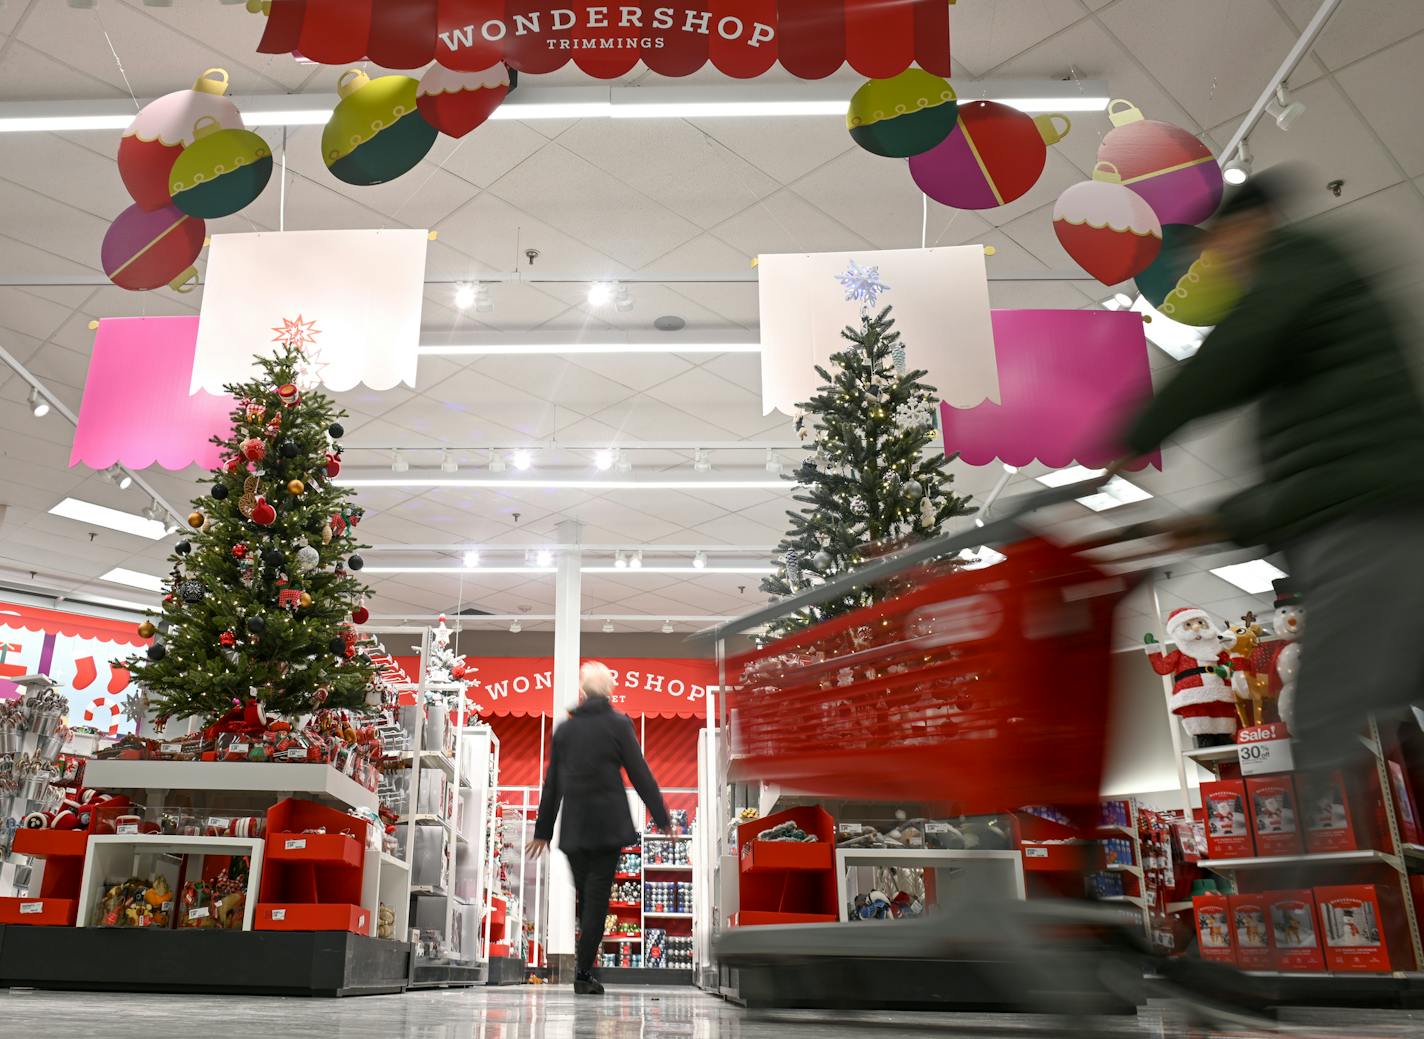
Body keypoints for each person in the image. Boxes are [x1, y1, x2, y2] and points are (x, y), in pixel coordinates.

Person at [1114, 167, 1424, 771]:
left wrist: (1135, 433)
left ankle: (1322, 856)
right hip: (1371, 524)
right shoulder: (1315, 309)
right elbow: (1319, 471)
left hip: (1369, 531)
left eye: (1217, 247)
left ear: (1249, 226)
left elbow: (1233, 357)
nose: (1220, 264)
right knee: (1373, 700)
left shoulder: (1297, 269)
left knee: (1325, 715)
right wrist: (1221, 521)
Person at [527, 661, 671, 995]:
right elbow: (639, 773)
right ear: (608, 690)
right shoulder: (618, 725)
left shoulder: (565, 730)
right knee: (596, 902)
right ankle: (583, 972)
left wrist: (543, 831)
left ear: (583, 690)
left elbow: (552, 785)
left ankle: (584, 967)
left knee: (586, 901)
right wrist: (661, 818)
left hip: (575, 831)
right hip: (607, 827)